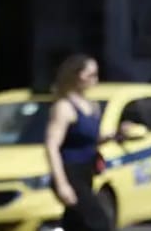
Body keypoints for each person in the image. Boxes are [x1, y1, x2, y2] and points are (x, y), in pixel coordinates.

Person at [44, 54, 134, 231]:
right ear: (76, 76)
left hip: (87, 172)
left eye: (96, 75)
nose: (95, 80)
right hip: (70, 173)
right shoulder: (64, 107)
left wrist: (116, 135)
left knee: (76, 224)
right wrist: (62, 184)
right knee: (99, 223)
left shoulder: (92, 106)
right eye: (90, 75)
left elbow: (91, 139)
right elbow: (52, 145)